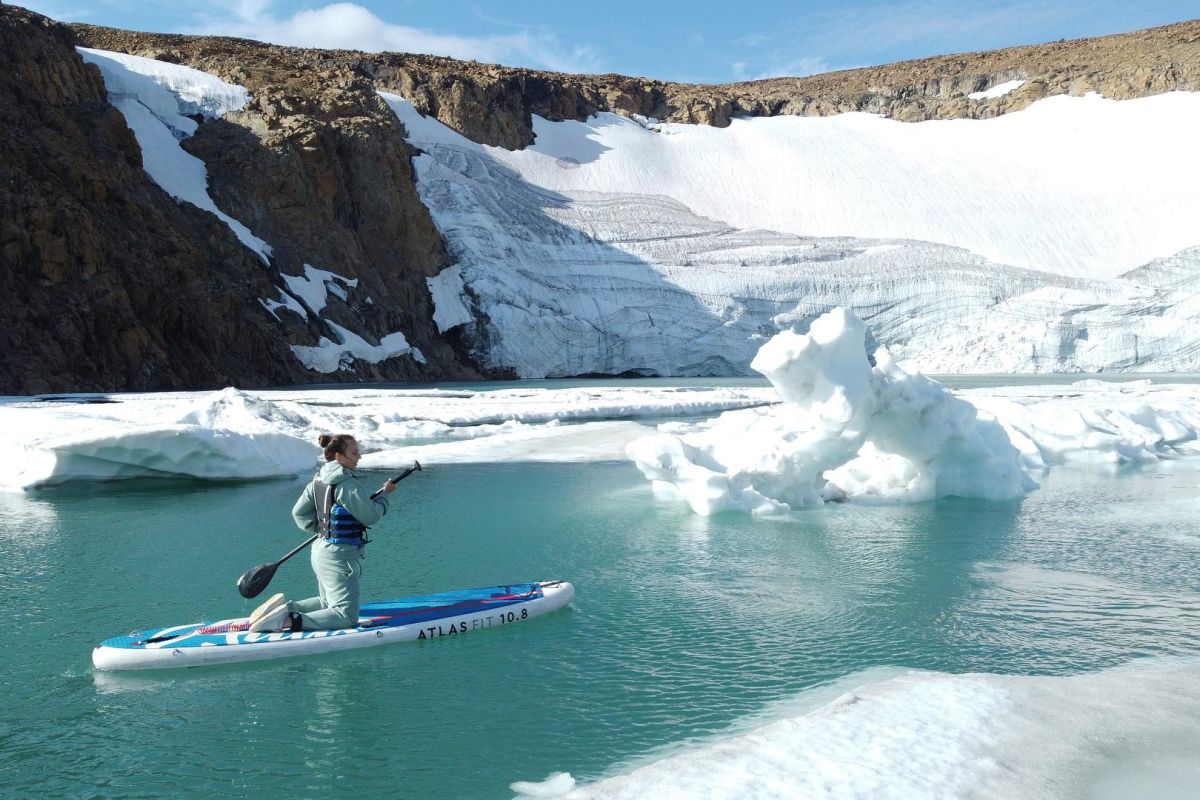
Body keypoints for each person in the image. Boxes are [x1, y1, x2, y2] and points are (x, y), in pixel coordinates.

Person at [248, 433, 397, 632]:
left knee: (327, 602)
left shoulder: (319, 479)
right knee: (345, 615)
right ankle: (288, 621)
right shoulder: (347, 483)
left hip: (320, 550)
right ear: (339, 457)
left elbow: (298, 513)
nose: (359, 456)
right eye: (354, 452)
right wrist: (384, 496)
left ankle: (284, 609)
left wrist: (325, 530)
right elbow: (371, 516)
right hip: (339, 556)